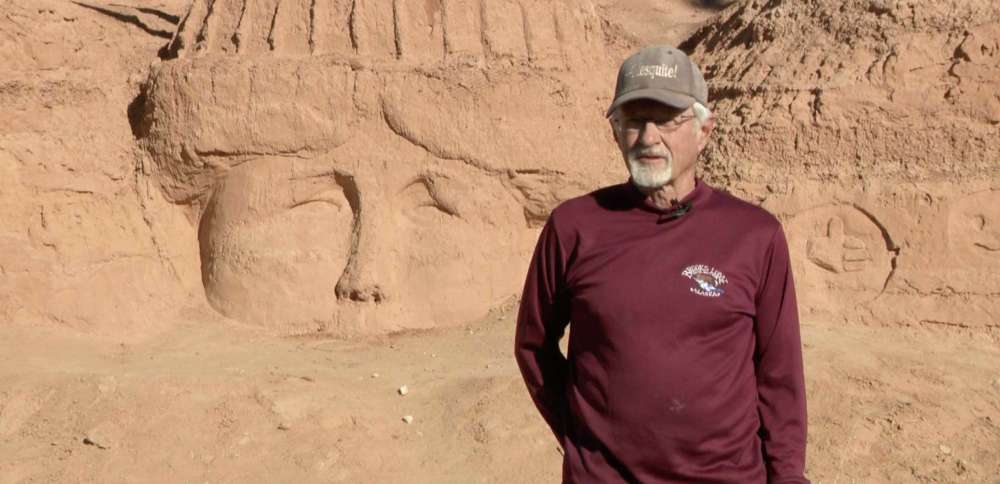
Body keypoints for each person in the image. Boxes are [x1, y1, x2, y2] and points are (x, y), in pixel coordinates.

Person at [514, 45, 810, 483]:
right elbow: (533, 346)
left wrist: (787, 477)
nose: (649, 137)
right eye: (634, 120)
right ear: (615, 132)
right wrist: (581, 437)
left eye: (668, 119)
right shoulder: (574, 227)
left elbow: (779, 374)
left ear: (704, 131)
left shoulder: (754, 235)